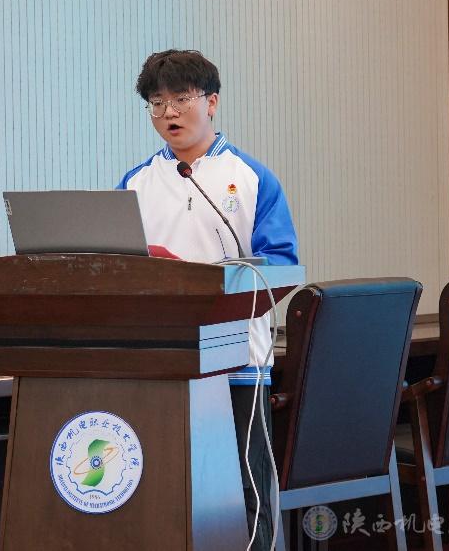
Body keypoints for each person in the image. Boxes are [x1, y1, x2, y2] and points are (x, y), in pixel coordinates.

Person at [117, 49, 299, 550]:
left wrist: (211, 280)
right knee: (163, 485)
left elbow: (281, 265)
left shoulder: (251, 177)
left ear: (212, 102)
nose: (168, 112)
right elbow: (117, 268)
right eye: (157, 103)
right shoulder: (136, 183)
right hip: (161, 362)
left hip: (238, 358)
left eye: (181, 99)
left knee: (246, 488)